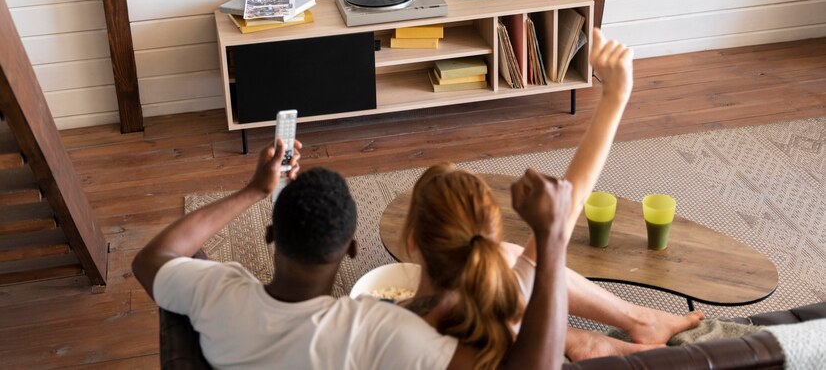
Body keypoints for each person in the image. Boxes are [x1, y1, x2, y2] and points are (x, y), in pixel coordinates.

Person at [132, 138, 573, 369]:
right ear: (352, 249)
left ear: (269, 234)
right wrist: (552, 237)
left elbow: (154, 257)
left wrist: (253, 190)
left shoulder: (219, 295)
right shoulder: (373, 332)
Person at [401, 28, 704, 363]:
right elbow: (570, 200)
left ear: (413, 240)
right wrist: (616, 95)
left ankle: (589, 342)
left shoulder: (387, 326)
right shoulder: (515, 291)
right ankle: (593, 339)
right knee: (511, 255)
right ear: (490, 237)